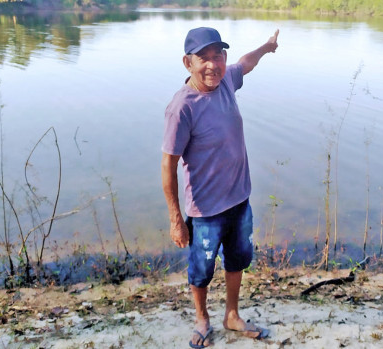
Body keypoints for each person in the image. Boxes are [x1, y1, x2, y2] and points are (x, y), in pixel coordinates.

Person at [161, 27, 279, 348]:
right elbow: (168, 167)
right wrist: (175, 218)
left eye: (218, 56)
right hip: (206, 210)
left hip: (240, 200)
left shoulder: (227, 79)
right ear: (188, 63)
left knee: (237, 260)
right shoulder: (182, 107)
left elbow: (247, 62)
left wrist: (268, 46)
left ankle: (232, 314)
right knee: (201, 270)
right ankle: (202, 319)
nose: (212, 65)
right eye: (204, 59)